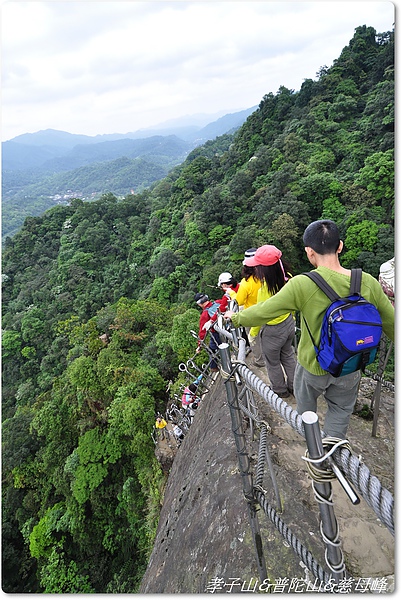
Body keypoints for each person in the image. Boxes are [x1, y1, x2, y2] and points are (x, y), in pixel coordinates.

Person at [224, 220, 395, 439]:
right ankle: (330, 457)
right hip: (352, 364)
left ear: (309, 252)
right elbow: (391, 323)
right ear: (340, 246)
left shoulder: (304, 284)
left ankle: (314, 450)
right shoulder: (368, 282)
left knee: (306, 413)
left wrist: (236, 318)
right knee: (340, 412)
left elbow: (265, 310)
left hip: (313, 366)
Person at [240, 244, 296, 398]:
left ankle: (280, 390)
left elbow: (260, 315)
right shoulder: (288, 278)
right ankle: (295, 387)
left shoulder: (265, 289)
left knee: (272, 362)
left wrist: (252, 334)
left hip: (273, 330)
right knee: (288, 355)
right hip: (289, 324)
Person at [227, 248, 264, 367]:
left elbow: (239, 300)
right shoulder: (267, 277)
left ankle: (260, 361)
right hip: (269, 311)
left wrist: (231, 293)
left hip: (252, 315)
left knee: (254, 339)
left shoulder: (246, 283)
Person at [194, 293, 221, 372]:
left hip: (217, 334)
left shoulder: (205, 314)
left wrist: (199, 345)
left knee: (211, 349)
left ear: (199, 304)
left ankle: (214, 367)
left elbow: (202, 332)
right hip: (228, 328)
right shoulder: (218, 302)